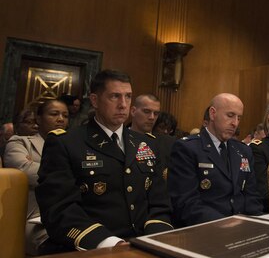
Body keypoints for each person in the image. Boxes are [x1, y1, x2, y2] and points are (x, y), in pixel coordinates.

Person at [35, 70, 172, 252]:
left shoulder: (145, 143)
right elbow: (59, 209)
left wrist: (156, 239)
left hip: (144, 244)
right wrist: (109, 243)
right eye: (115, 96)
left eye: (128, 97)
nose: (123, 105)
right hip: (92, 246)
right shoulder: (66, 143)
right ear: (94, 100)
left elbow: (159, 202)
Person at [168, 93, 262, 226]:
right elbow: (186, 203)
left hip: (242, 228)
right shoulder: (187, 148)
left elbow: (251, 197)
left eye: (239, 118)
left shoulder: (243, 151)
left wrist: (260, 224)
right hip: (205, 229)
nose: (235, 123)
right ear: (213, 114)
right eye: (230, 115)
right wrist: (225, 223)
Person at [4, 99, 69, 255]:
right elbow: (25, 171)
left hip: (70, 215)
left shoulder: (73, 146)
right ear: (38, 119)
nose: (60, 119)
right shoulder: (20, 142)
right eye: (54, 114)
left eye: (65, 115)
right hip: (36, 219)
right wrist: (70, 174)